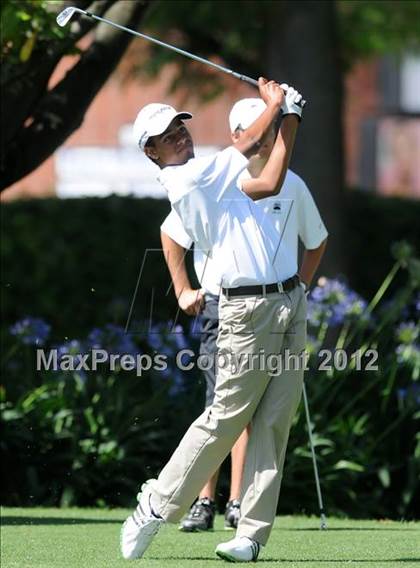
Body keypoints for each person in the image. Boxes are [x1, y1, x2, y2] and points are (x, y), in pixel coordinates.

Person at [121, 78, 306, 563]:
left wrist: (291, 120)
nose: (180, 136)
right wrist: (274, 105)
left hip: (289, 300)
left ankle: (250, 534)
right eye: (167, 136)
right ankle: (156, 504)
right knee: (227, 416)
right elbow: (249, 142)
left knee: (274, 421)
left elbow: (269, 181)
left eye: (180, 127)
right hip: (245, 310)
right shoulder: (186, 180)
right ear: (151, 153)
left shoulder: (211, 171)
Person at [159, 96, 328, 533]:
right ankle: (199, 501)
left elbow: (311, 233)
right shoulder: (212, 178)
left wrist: (299, 289)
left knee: (255, 410)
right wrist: (182, 290)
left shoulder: (282, 182)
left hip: (274, 306)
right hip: (224, 305)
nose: (264, 138)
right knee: (226, 407)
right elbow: (171, 232)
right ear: (237, 137)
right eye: (257, 132)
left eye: (269, 132)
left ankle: (236, 502)